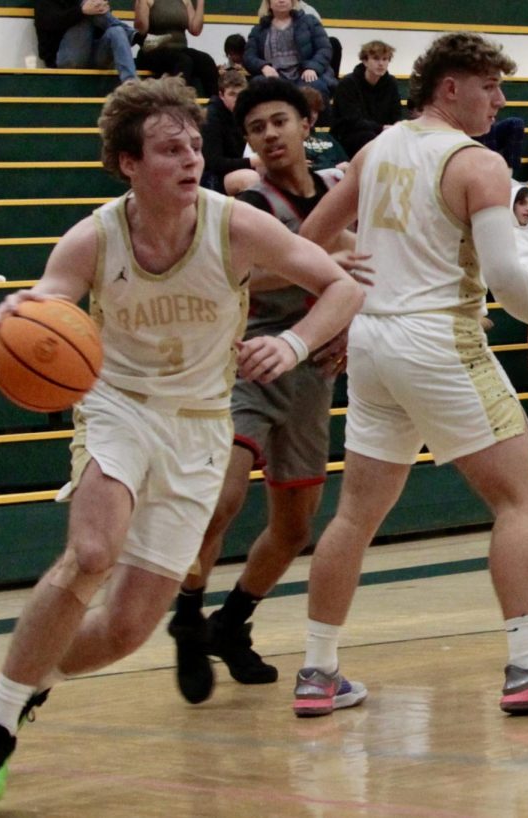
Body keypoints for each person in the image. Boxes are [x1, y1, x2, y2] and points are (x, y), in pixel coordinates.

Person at [0, 76, 363, 800]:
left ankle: (22, 679)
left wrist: (294, 344)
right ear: (129, 163)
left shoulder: (234, 224)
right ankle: (1, 725)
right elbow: (47, 305)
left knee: (127, 629)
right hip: (119, 408)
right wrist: (17, 312)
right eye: (170, 149)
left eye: (196, 145)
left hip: (200, 426)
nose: (190, 158)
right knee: (91, 554)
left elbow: (343, 287)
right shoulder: (96, 235)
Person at [295, 31, 528, 718]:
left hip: (374, 342)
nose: (500, 101)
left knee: (355, 514)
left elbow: (307, 242)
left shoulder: (375, 148)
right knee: (522, 500)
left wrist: (360, 264)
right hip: (438, 340)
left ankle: (318, 671)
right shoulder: (476, 163)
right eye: (490, 87)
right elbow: (507, 276)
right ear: (450, 87)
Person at [165, 77, 367, 703]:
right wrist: (333, 256)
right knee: (220, 498)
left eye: (279, 121)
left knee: (294, 528)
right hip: (249, 360)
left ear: (307, 125)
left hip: (311, 374)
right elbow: (244, 274)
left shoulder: (337, 190)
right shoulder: (251, 202)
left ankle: (233, 622)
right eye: (256, 128)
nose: (270, 135)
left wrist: (347, 319)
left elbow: (359, 277)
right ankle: (187, 614)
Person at [244, 0, 336, 102]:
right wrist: (263, 66)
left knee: (316, 88)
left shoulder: (310, 21)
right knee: (257, 89)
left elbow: (324, 48)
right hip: (274, 77)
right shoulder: (259, 29)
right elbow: (249, 56)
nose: (281, 0)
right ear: (268, 3)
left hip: (303, 74)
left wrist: (312, 67)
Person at [34, 0, 137, 82]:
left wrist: (101, 8)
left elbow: (101, 27)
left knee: (117, 31)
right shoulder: (45, 2)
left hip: (93, 56)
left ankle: (131, 83)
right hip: (64, 58)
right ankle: (135, 36)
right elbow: (48, 23)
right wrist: (81, 11)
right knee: (88, 6)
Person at [331, 40, 402, 158]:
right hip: (349, 135)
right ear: (365, 61)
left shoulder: (391, 83)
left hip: (380, 133)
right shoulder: (348, 83)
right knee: (368, 137)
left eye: (385, 59)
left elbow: (396, 114)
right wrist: (382, 128)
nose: (381, 64)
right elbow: (352, 120)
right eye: (376, 59)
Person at [133, 0, 219, 97]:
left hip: (179, 49)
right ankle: (179, 102)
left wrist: (200, 3)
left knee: (206, 60)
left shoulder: (185, 1)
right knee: (184, 61)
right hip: (153, 50)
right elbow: (142, 30)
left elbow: (195, 30)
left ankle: (214, 104)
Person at [202, 69, 261, 193]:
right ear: (221, 95)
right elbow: (214, 163)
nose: (238, 99)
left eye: (241, 94)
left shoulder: (245, 112)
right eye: (232, 94)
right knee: (250, 178)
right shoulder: (211, 117)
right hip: (210, 177)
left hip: (236, 167)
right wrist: (254, 161)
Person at [299, 85, 348, 170]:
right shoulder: (291, 139)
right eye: (309, 111)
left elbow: (346, 163)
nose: (313, 116)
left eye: (315, 111)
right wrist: (334, 168)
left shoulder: (326, 136)